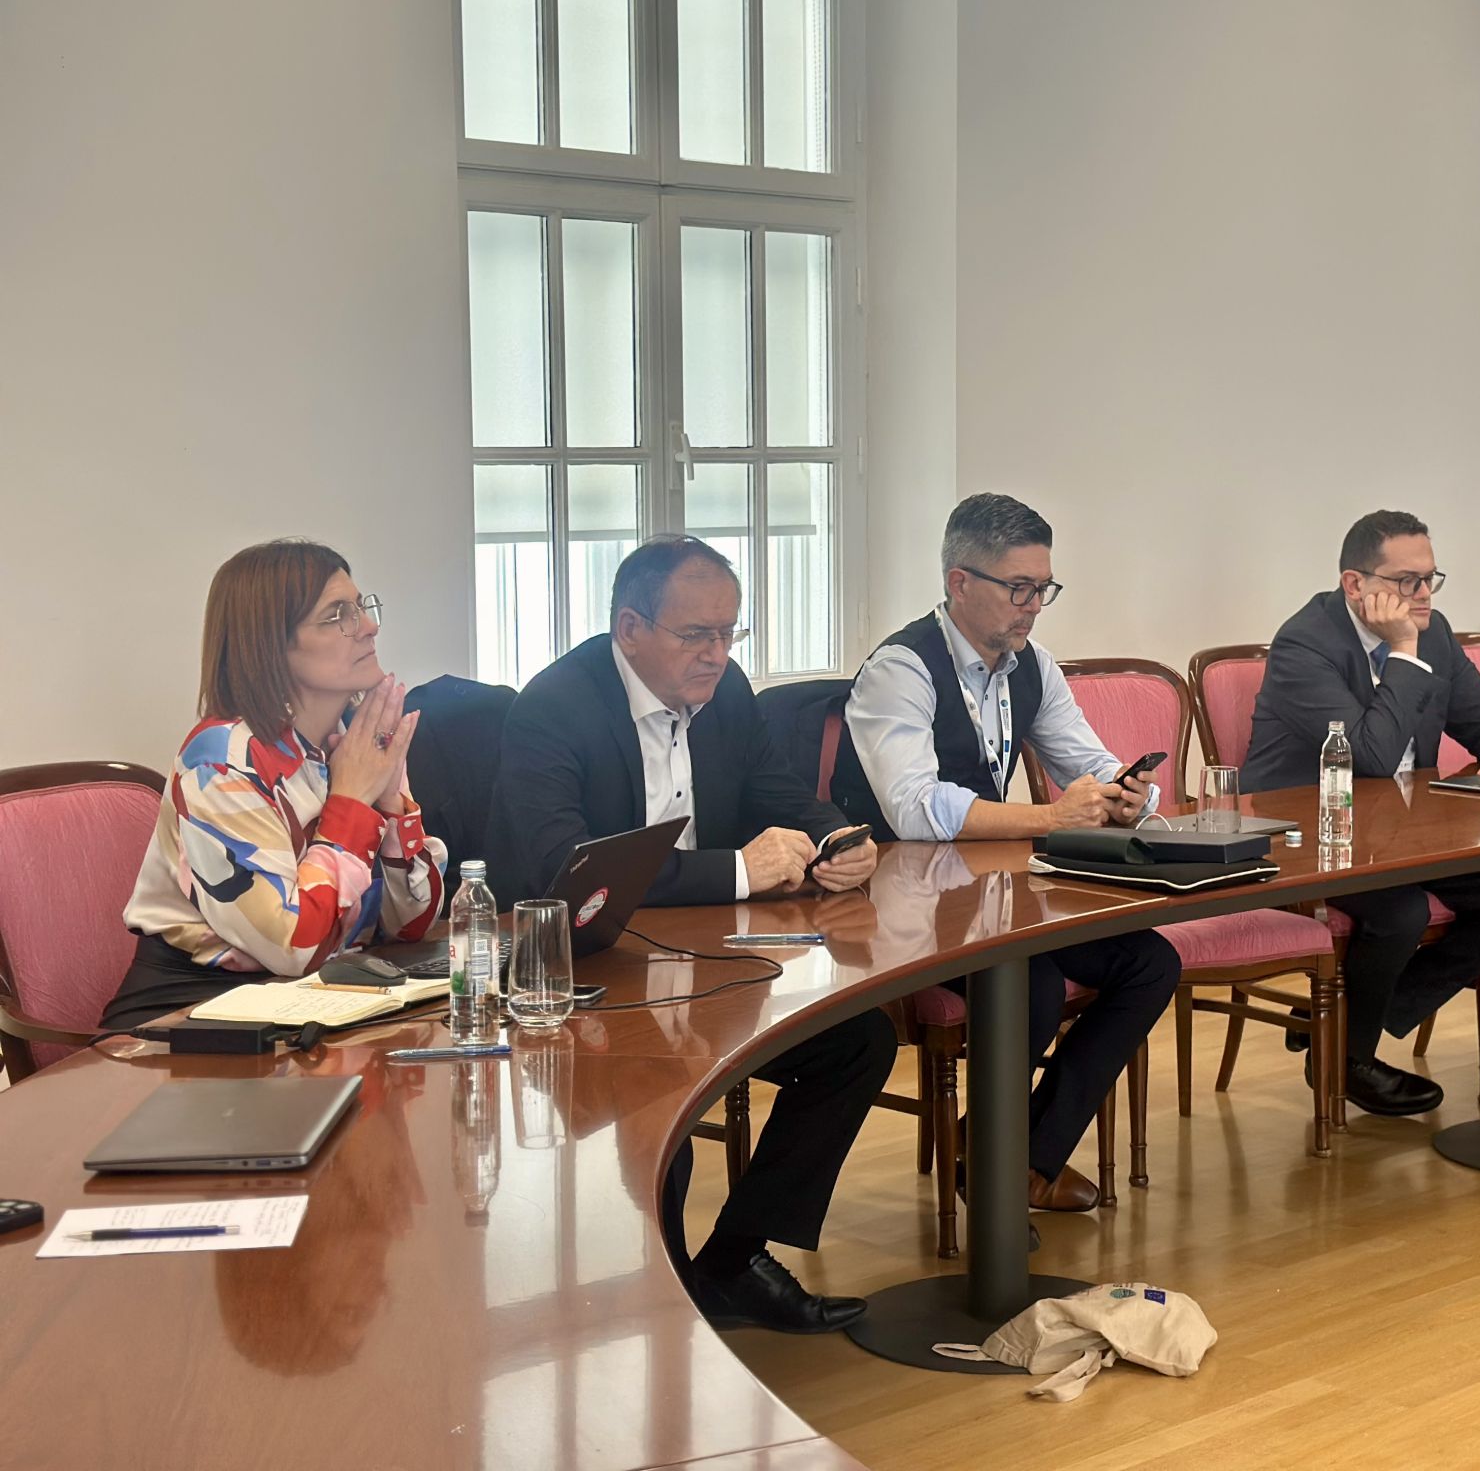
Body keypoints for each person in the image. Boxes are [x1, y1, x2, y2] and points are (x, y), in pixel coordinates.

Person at [489, 534, 894, 1335]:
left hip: (705, 960)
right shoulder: (555, 707)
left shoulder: (726, 691)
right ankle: (663, 1305)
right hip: (583, 973)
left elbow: (782, 793)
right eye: (696, 635)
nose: (717, 654)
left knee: (857, 1042)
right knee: (659, 1090)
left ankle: (733, 1261)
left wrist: (840, 838)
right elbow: (566, 872)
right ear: (630, 628)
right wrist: (740, 871)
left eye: (729, 632)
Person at [836, 493, 1180, 1221]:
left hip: (992, 896)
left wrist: (1128, 795)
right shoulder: (900, 668)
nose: (1033, 608)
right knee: (1032, 984)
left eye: (1043, 589)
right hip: (900, 900)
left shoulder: (1032, 666)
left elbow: (1089, 761)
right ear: (960, 583)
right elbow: (915, 807)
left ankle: (1018, 1158)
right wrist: (1051, 816)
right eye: (1019, 589)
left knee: (1150, 962)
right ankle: (1000, 1173)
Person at [1241, 509, 1480, 1117]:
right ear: (1356, 585)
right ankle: (1350, 1058)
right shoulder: (1305, 644)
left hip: (1399, 832)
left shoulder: (1435, 630)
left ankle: (1339, 1024)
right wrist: (1403, 649)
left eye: (1431, 578)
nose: (1424, 594)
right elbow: (1370, 757)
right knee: (1400, 911)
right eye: (1407, 581)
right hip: (1304, 834)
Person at [104, 540, 445, 1030]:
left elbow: (412, 924)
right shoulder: (219, 762)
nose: (369, 627)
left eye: (361, 607)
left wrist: (389, 804)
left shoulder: (354, 741)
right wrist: (351, 803)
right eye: (338, 615)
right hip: (188, 1020)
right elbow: (294, 948)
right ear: (270, 646)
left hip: (311, 1006)